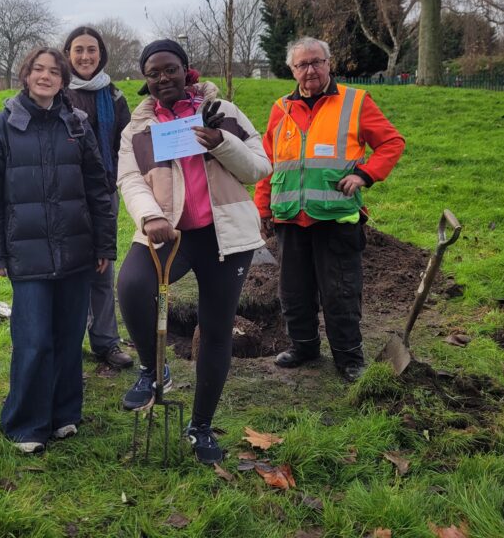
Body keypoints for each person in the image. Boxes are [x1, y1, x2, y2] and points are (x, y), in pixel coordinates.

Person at [116, 39, 271, 464]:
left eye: (170, 69)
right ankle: (152, 368)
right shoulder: (138, 128)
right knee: (131, 287)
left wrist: (220, 141)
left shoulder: (223, 113)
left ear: (187, 70)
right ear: (145, 80)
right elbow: (129, 180)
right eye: (153, 72)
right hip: (168, 232)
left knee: (216, 329)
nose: (162, 77)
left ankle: (200, 427)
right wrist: (149, 217)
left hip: (226, 239)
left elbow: (259, 168)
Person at [0, 47, 116, 454]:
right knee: (34, 340)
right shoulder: (0, 128)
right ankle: (26, 423)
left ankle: (65, 413)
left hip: (77, 251)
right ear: (25, 75)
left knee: (69, 338)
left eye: (54, 71)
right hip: (27, 254)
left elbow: (97, 188)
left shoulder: (76, 125)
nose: (46, 77)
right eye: (39, 69)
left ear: (63, 80)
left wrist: (104, 243)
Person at [254, 37, 405, 382]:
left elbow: (392, 142)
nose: (310, 70)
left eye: (316, 62)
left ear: (328, 63)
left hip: (335, 218)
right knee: (293, 290)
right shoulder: (282, 108)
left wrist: (365, 175)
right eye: (302, 65)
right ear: (292, 70)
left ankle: (349, 358)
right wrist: (262, 208)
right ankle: (304, 347)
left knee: (340, 291)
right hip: (290, 217)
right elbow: (268, 162)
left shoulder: (355, 102)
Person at [62, 26, 134, 369]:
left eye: (91, 50)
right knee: (66, 270)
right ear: (67, 54)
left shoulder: (115, 96)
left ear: (101, 54)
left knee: (103, 269)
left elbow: (128, 142)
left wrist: (113, 177)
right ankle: (66, 339)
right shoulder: (56, 91)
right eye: (78, 50)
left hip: (103, 194)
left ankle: (106, 342)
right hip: (61, 197)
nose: (85, 56)